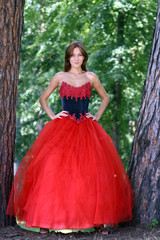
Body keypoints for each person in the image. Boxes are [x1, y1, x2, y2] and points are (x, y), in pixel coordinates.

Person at [6, 41, 133, 235]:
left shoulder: (91, 77)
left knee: (91, 174)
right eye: (72, 55)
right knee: (52, 172)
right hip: (62, 129)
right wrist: (53, 116)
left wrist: (96, 116)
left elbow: (105, 98)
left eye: (79, 55)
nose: (76, 58)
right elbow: (43, 98)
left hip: (87, 129)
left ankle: (98, 221)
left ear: (84, 57)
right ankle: (45, 221)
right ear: (68, 58)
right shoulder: (60, 76)